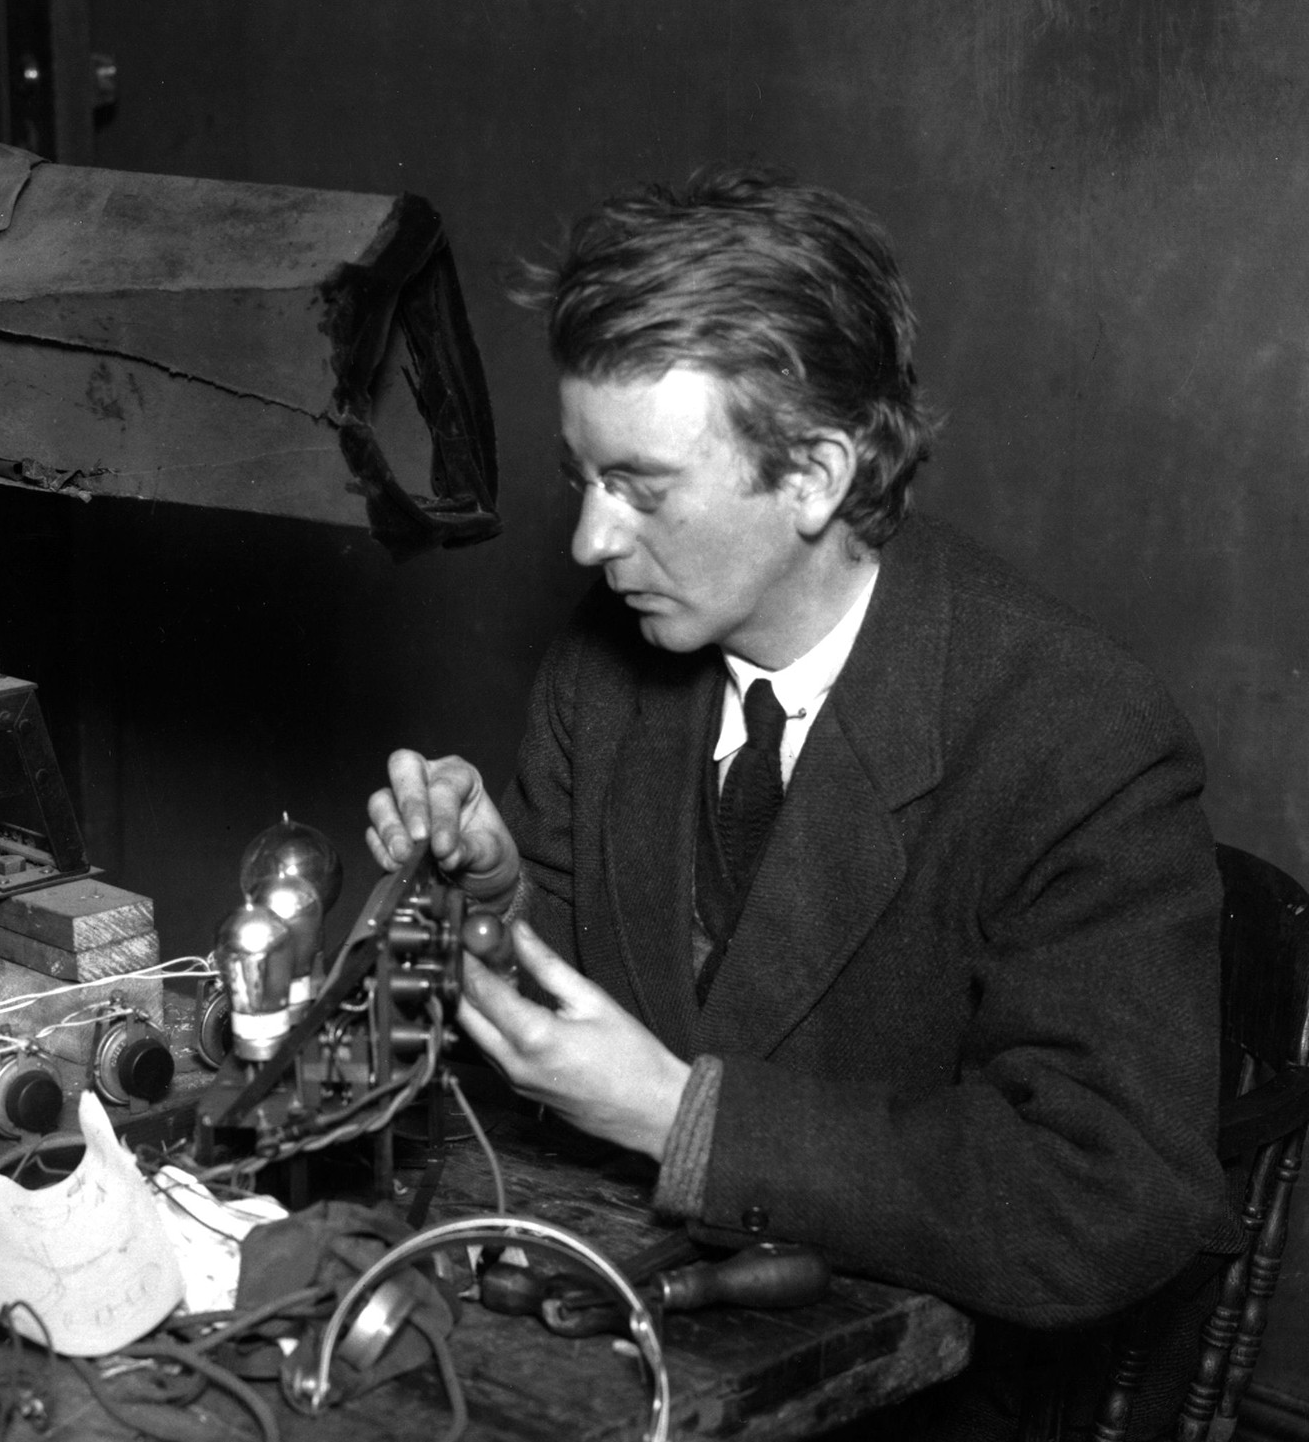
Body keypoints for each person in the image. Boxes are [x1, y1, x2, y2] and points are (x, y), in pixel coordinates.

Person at [366, 168, 1232, 1436]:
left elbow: (1103, 1197)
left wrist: (685, 1120)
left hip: (907, 1398)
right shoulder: (601, 672)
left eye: (642, 489)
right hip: (638, 1343)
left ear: (816, 474)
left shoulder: (1073, 733)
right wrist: (497, 905)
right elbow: (596, 1017)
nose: (588, 545)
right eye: (582, 479)